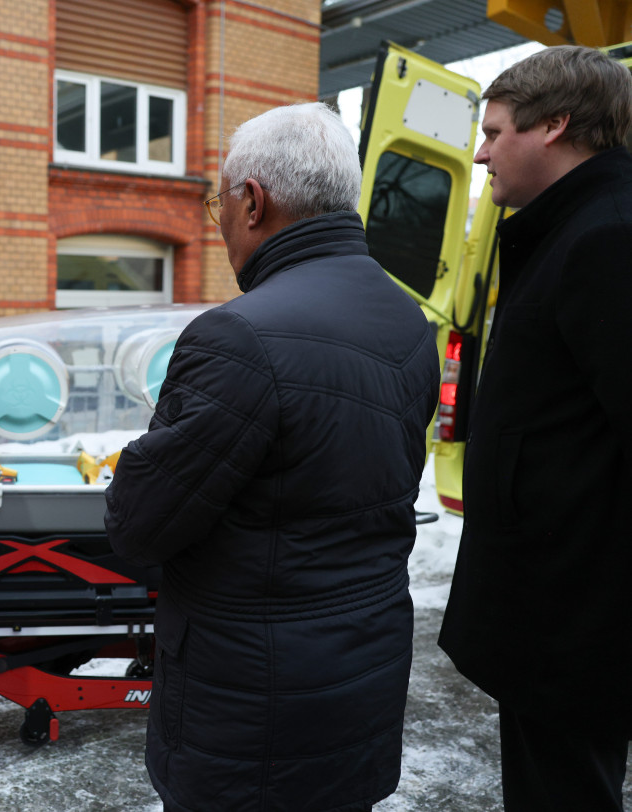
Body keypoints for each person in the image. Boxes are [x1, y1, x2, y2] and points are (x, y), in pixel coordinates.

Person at [104, 102, 440, 812]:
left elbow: (139, 522)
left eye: (217, 202)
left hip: (250, 709)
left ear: (252, 201)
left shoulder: (237, 337)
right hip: (360, 677)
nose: (218, 220)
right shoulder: (406, 319)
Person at [437, 45, 632, 812]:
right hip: (557, 611)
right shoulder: (570, 229)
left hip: (577, 618)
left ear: (555, 125)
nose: (481, 151)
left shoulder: (607, 238)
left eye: (494, 130)